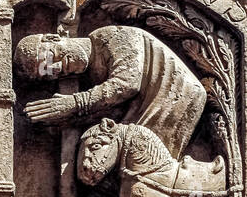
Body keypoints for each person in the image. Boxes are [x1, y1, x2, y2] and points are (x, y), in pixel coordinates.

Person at [17, 26, 206, 158]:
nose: (58, 67)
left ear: (53, 38)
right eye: (51, 72)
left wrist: (74, 104)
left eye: (51, 57)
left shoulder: (113, 37)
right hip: (144, 110)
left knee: (145, 168)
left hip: (173, 99)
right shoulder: (91, 74)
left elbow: (127, 83)